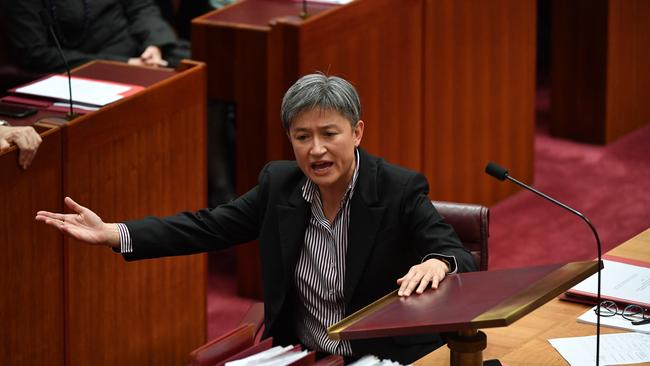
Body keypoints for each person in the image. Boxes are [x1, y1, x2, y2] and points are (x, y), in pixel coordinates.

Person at [35, 73, 476, 364]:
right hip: (305, 356)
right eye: (303, 137)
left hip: (381, 358)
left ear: (357, 132)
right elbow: (206, 226)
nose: (316, 150)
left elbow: (456, 253)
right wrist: (115, 233)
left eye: (329, 134)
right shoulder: (279, 186)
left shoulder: (398, 188)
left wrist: (439, 262)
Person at [2, 0, 190, 72]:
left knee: (202, 63)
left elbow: (141, 7)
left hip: (143, 49)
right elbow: (35, 54)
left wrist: (154, 46)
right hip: (89, 67)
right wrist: (124, 65)